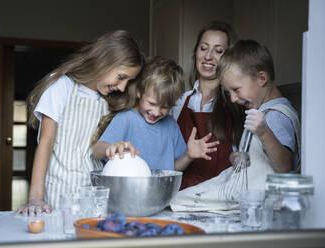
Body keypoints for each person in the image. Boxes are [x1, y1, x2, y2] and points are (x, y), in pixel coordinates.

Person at [16, 30, 144, 216]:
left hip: (97, 197)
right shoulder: (62, 86)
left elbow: (96, 149)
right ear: (105, 61)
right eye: (121, 77)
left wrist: (114, 147)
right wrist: (35, 198)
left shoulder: (109, 101)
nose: (123, 87)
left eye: (128, 81)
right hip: (60, 194)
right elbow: (46, 142)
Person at [91, 56, 219, 171]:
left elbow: (173, 168)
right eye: (152, 103)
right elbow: (96, 151)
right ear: (139, 92)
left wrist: (188, 156)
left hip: (160, 194)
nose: (156, 112)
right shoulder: (125, 119)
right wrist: (113, 146)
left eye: (165, 106)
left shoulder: (171, 126)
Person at [170, 21, 245, 190]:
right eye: (203, 48)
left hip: (220, 198)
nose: (208, 56)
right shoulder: (178, 102)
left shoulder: (237, 104)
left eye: (218, 51)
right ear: (196, 52)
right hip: (181, 198)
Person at [217, 39, 300, 186]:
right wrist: (237, 158)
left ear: (262, 78)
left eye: (236, 89)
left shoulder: (276, 115)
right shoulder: (259, 111)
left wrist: (263, 132)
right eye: (228, 92)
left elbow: (285, 167)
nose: (233, 99)